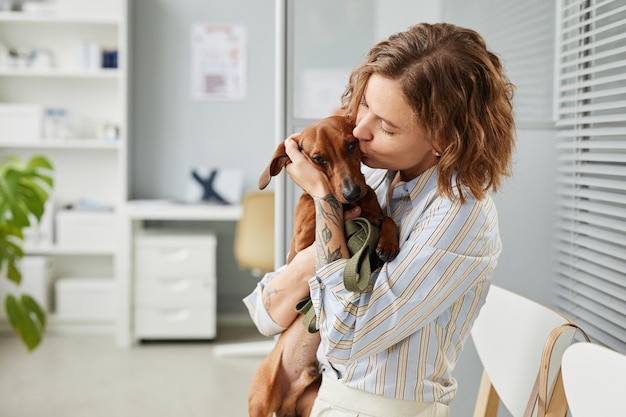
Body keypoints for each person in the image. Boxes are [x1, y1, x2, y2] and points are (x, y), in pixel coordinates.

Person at [244, 22, 515, 417]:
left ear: (443, 140)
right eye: (365, 105)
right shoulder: (370, 175)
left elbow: (346, 338)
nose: (359, 129)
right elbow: (264, 314)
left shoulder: (458, 215)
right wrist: (308, 257)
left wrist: (324, 201)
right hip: (320, 393)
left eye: (385, 125)